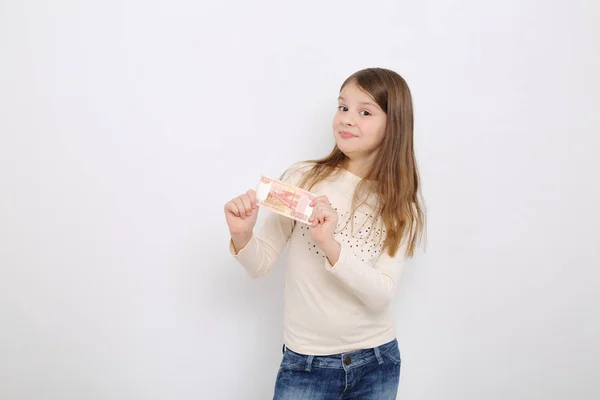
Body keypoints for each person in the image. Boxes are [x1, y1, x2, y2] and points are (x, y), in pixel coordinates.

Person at [224, 67, 425, 399]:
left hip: (377, 361)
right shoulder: (305, 179)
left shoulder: (399, 204)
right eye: (343, 107)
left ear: (394, 124)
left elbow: (381, 294)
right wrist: (242, 235)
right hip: (306, 365)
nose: (346, 119)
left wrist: (329, 244)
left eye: (365, 111)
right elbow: (261, 265)